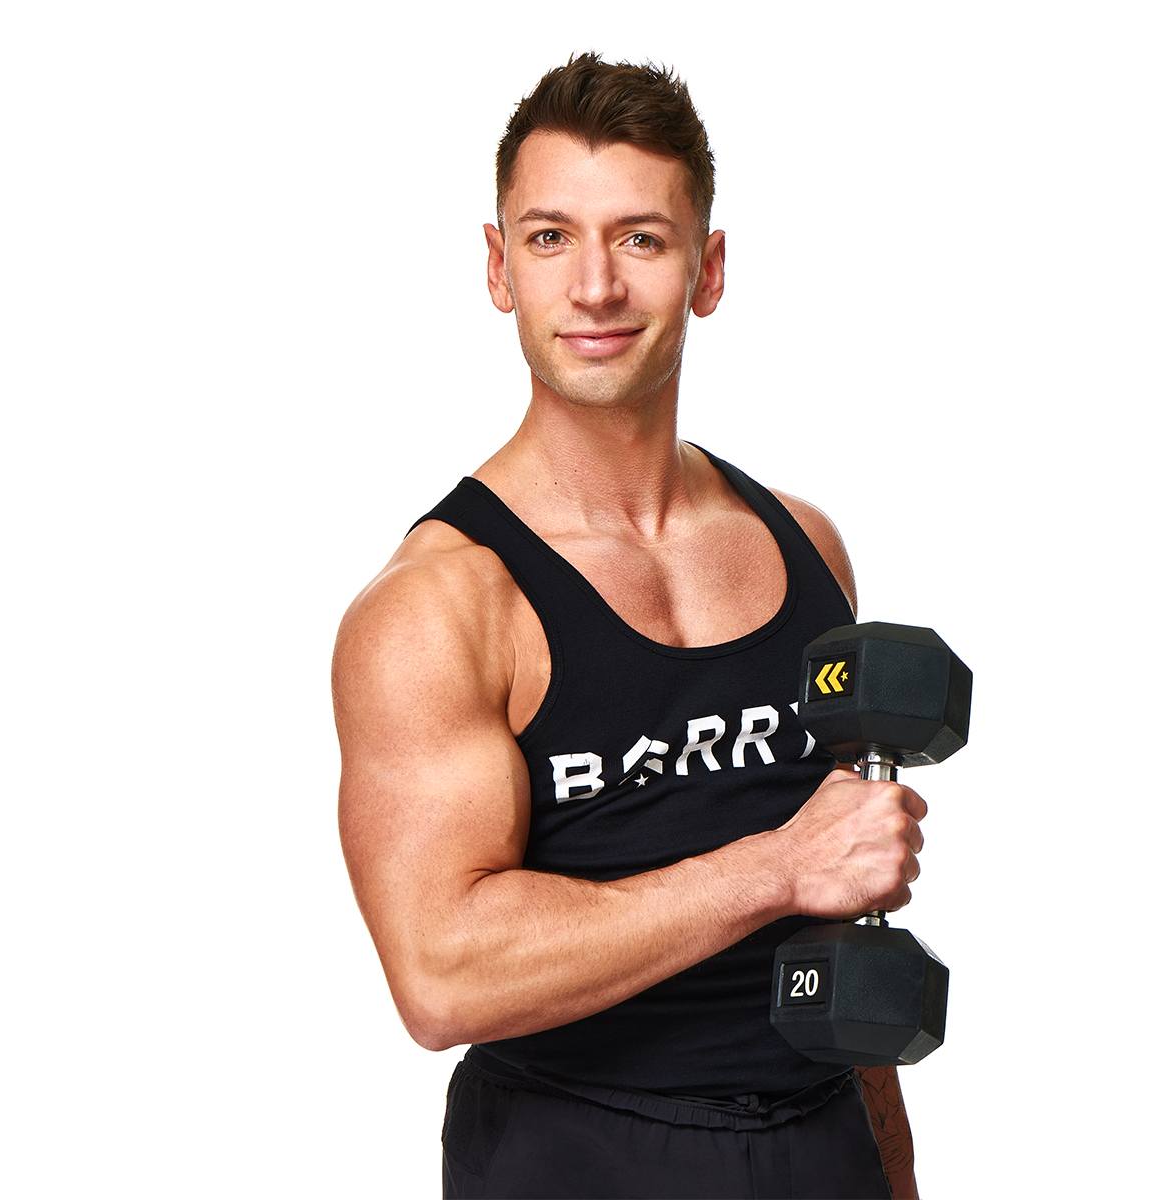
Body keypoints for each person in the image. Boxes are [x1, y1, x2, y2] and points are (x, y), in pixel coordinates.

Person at [334, 53, 928, 1199]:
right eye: (551, 238)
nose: (594, 287)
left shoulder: (805, 546)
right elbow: (441, 975)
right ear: (498, 269)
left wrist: (894, 1179)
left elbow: (845, 918)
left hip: (818, 1146)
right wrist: (772, 868)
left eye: (640, 240)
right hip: (576, 1153)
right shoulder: (442, 605)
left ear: (706, 272)